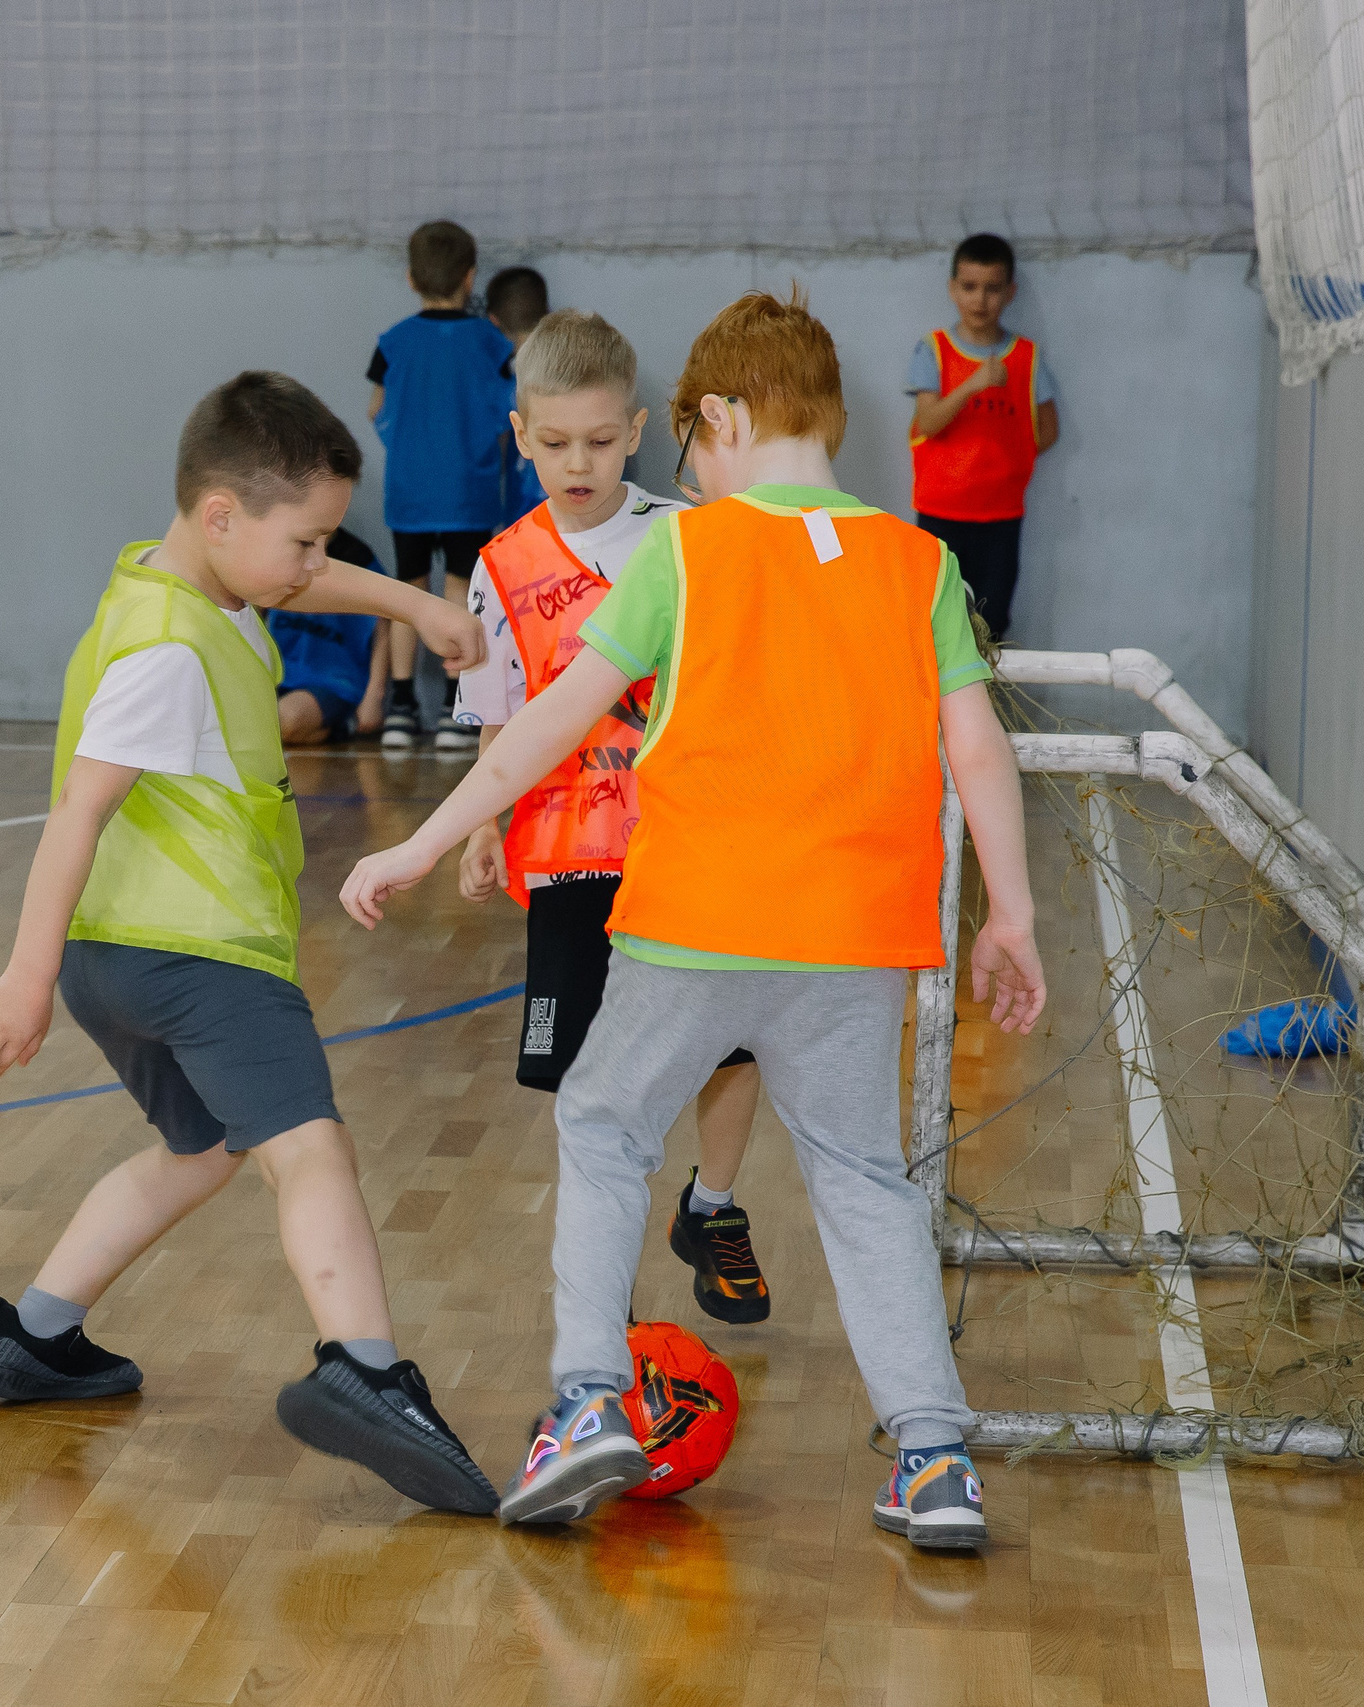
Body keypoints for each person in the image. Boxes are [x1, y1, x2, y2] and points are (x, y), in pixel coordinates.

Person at [341, 288, 1047, 1541]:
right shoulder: (919, 560)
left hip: (694, 925)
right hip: (856, 939)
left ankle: (590, 1402)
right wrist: (1013, 918)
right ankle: (934, 1459)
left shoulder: (682, 551)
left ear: (715, 415)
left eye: (685, 443)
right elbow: (979, 751)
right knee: (863, 1182)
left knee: (607, 1126)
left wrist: (425, 836)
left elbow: (547, 730)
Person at [0, 371, 500, 1515]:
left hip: (123, 954)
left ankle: (33, 1335)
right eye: (301, 543)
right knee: (312, 1151)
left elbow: (298, 573)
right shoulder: (168, 653)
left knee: (201, 1148)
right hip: (194, 953)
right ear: (220, 517)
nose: (310, 567)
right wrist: (21, 975)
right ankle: (365, 1368)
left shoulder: (192, 582)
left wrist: (417, 608)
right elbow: (77, 815)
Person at [452, 309, 774, 1327]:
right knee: (591, 1092)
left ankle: (711, 1207)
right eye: (553, 444)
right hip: (566, 860)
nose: (576, 462)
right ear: (519, 436)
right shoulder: (501, 566)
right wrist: (472, 826)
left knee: (730, 1043)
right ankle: (613, 1310)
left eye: (598, 440)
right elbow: (499, 715)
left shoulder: (686, 539)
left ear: (635, 430)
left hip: (688, 848)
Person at [368, 220, 517, 752]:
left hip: (408, 491)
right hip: (469, 491)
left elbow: (377, 409)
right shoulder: (492, 344)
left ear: (411, 278)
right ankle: (460, 708)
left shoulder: (392, 342)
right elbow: (509, 414)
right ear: (470, 276)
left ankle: (401, 709)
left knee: (409, 595)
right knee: (460, 593)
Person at [905, 232, 1058, 642]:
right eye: (970, 287)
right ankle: (938, 707)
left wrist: (1004, 464)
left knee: (990, 624)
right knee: (937, 618)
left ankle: (986, 704)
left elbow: (1047, 430)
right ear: (953, 289)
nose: (980, 300)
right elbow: (930, 423)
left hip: (1000, 516)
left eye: (993, 288)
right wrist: (973, 385)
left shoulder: (1027, 356)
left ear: (1010, 292)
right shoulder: (933, 350)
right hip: (941, 512)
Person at [268, 528, 392, 745]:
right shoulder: (277, 548)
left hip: (333, 682)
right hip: (278, 675)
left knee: (283, 721)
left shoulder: (358, 557)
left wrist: (374, 695)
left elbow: (383, 630)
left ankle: (336, 727)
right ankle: (322, 731)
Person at [483, 265, 552, 522]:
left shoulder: (509, 383)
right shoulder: (575, 365)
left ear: (494, 319)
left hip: (526, 503)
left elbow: (500, 451)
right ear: (546, 311)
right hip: (581, 500)